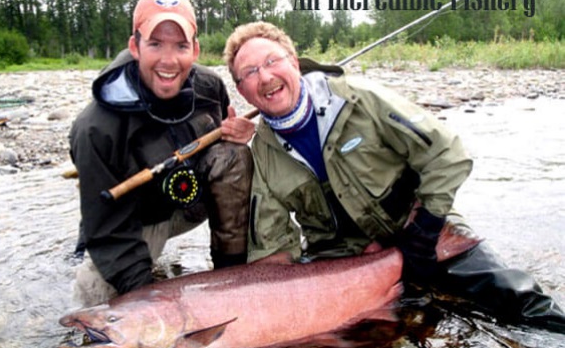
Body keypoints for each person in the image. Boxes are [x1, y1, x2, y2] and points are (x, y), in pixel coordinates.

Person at [222, 21, 565, 332]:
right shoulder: (263, 153)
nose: (265, 77)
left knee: (521, 305)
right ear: (242, 90)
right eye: (249, 72)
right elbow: (273, 250)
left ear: (294, 62)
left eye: (272, 61)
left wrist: (426, 227)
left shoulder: (361, 99)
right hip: (343, 264)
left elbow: (447, 153)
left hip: (423, 233)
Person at [69, 0, 254, 307]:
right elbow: (111, 234)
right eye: (155, 44)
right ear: (134, 46)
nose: (169, 61)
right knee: (95, 311)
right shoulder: (95, 128)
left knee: (233, 156)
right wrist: (150, 304)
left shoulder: (209, 87)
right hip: (130, 224)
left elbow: (222, 157)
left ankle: (231, 279)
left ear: (194, 49)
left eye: (180, 46)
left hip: (188, 204)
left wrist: (235, 135)